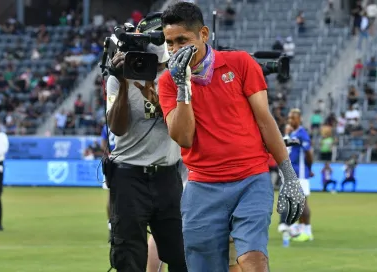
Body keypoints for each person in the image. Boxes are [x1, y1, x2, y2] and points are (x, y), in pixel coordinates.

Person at [158, 2, 305, 271]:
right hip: (202, 187)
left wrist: (289, 176)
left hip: (251, 180)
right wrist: (183, 87)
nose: (176, 49)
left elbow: (265, 122)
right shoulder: (169, 82)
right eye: (170, 43)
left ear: (204, 34)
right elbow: (184, 138)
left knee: (253, 260)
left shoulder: (240, 63)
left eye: (183, 40)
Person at [106, 14, 187, 272]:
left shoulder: (177, 77)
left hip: (167, 174)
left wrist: (159, 92)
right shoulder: (120, 76)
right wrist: (120, 81)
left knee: (181, 253)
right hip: (129, 175)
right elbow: (117, 128)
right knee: (129, 256)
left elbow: (180, 127)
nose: (153, 66)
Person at [277, 109, 314, 242]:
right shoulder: (293, 134)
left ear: (299, 119)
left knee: (302, 203)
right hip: (293, 173)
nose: (290, 121)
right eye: (289, 118)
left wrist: (310, 168)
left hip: (301, 173)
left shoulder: (302, 134)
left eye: (293, 118)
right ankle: (301, 228)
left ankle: (307, 231)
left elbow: (309, 152)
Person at [101, 123, 115, 238]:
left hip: (111, 161)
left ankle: (111, 225)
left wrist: (109, 155)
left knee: (111, 197)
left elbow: (103, 144)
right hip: (127, 160)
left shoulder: (107, 125)